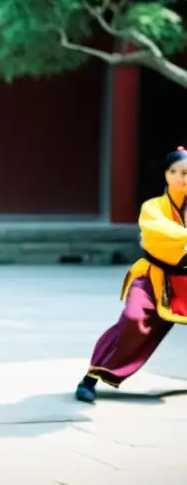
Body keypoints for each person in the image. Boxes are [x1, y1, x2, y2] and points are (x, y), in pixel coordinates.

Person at [76, 147, 187, 403]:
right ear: (166, 175)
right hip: (154, 276)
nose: (183, 178)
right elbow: (158, 231)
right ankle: (91, 378)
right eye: (177, 172)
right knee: (132, 318)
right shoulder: (153, 207)